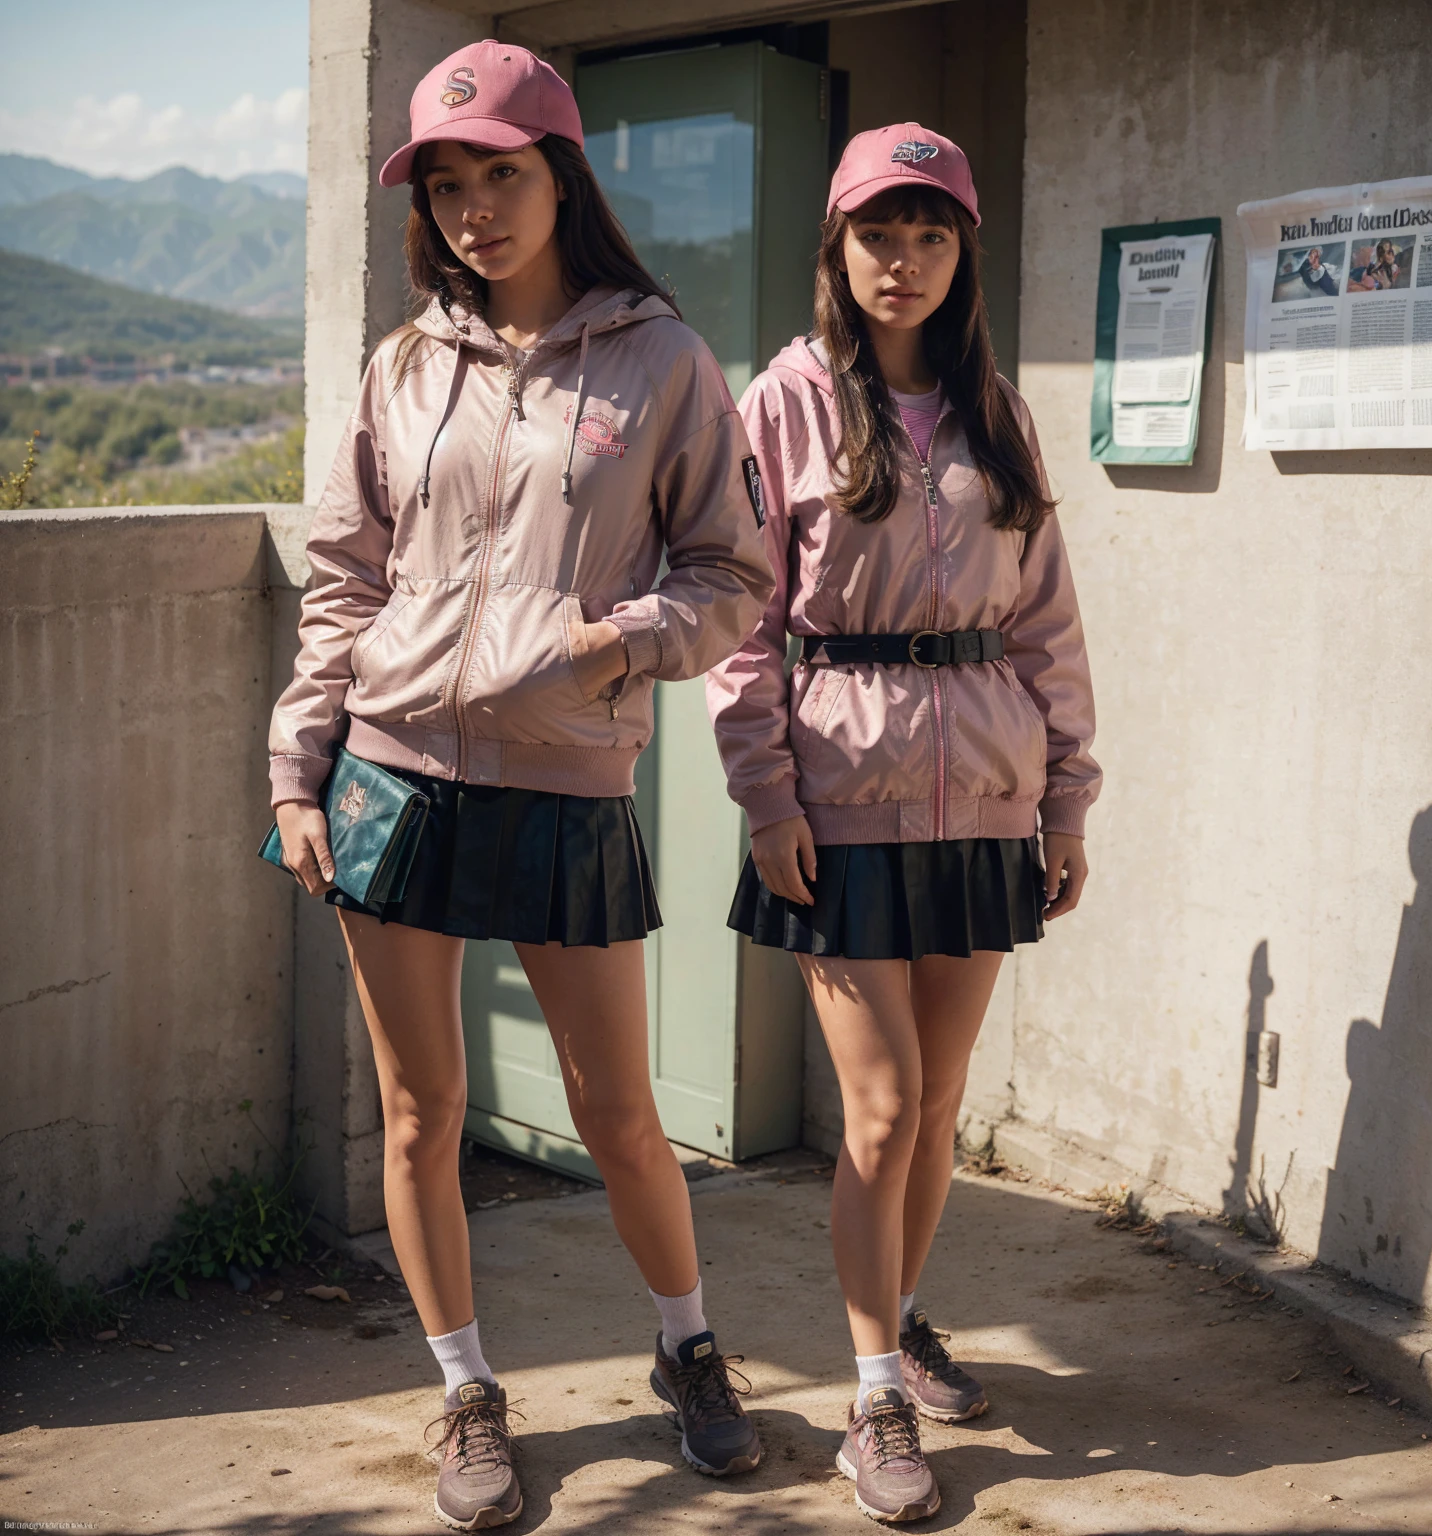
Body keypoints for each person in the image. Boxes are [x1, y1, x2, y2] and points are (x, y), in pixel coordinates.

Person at [268, 40, 773, 1531]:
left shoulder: (665, 361)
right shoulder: (405, 365)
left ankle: (687, 1347)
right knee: (421, 1110)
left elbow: (734, 577)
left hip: (565, 780)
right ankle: (465, 1389)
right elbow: (342, 581)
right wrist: (301, 767)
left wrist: (611, 639)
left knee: (621, 1113)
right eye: (448, 182)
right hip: (394, 771)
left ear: (563, 175)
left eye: (503, 174)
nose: (476, 209)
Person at [707, 123, 1100, 1524]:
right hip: (842, 802)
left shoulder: (1000, 408)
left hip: (987, 799)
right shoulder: (787, 401)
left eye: (932, 234)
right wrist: (765, 800)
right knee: (876, 1113)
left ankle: (903, 1319)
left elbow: (1045, 616)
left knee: (936, 1109)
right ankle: (870, 1398)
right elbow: (744, 628)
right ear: (837, 244)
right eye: (880, 232)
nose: (905, 260)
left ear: (963, 252)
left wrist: (1065, 798)